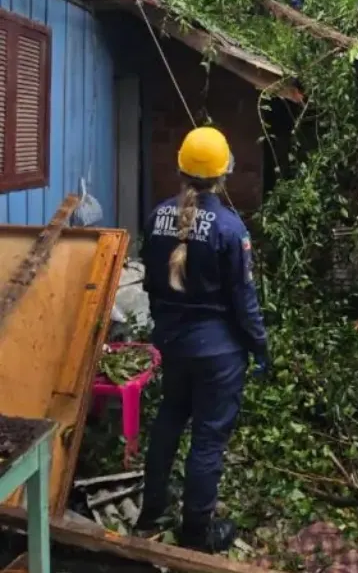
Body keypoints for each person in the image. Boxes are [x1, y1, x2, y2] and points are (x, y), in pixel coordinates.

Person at [134, 126, 270, 553]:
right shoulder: (230, 228)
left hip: (172, 345)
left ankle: (151, 511)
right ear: (224, 172)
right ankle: (196, 532)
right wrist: (260, 346)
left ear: (180, 168)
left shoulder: (156, 216)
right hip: (218, 354)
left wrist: (166, 329)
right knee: (208, 438)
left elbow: (151, 285)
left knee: (169, 419)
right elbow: (244, 301)